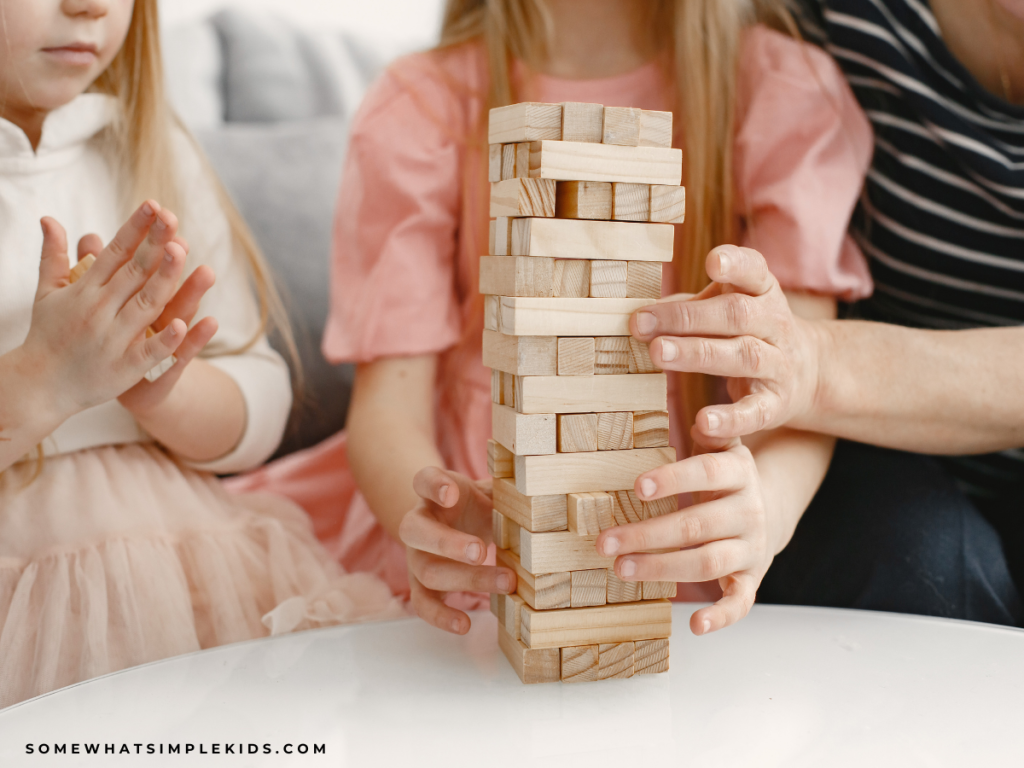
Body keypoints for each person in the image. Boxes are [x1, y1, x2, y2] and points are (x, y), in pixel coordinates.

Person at [231, 0, 874, 637]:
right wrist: (437, 523)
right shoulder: (419, 105)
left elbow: (796, 389)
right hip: (475, 527)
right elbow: (387, 410)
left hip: (668, 538)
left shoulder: (782, 91)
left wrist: (768, 506)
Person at [0, 0, 402, 708]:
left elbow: (259, 402)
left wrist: (160, 390)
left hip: (182, 560)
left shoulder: (153, 148)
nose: (88, 6)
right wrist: (45, 382)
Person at [631, 0, 1024, 625]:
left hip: (840, 395)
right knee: (925, 561)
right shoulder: (830, 26)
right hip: (869, 455)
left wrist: (812, 362)